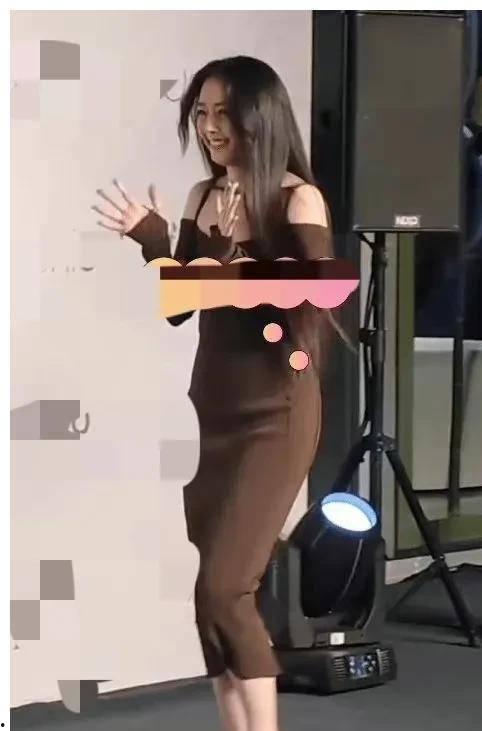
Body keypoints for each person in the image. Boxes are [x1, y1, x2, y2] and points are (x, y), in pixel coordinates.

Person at [92, 55, 352, 731]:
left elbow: (310, 297)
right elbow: (181, 306)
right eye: (201, 113)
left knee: (225, 588)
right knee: (209, 600)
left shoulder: (297, 199)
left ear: (260, 118)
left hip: (276, 411)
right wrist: (154, 241)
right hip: (214, 409)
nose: (210, 127)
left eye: (224, 113)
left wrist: (227, 269)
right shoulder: (202, 197)